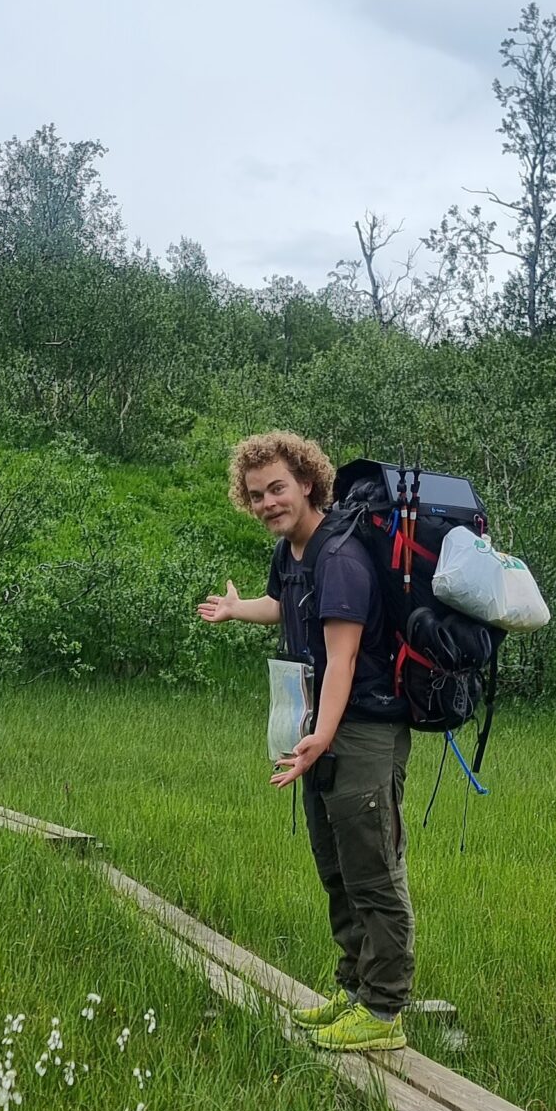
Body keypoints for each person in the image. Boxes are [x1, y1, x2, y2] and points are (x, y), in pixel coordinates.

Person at [197, 431, 412, 1052]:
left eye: (278, 489)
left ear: (309, 483)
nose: (267, 502)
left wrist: (320, 736)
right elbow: (286, 606)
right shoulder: (293, 553)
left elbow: (342, 658)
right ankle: (352, 990)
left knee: (372, 867)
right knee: (336, 865)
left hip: (362, 726)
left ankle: (383, 1012)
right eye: (256, 494)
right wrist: (239, 611)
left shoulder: (340, 555)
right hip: (320, 728)